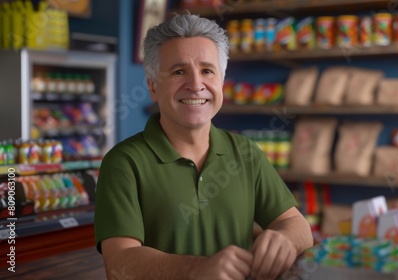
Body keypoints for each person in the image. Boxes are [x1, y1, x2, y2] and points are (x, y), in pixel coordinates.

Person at [94, 13, 313, 280]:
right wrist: (197, 269)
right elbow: (119, 263)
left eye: (207, 71)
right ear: (153, 87)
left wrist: (285, 240)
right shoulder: (123, 162)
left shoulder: (245, 152)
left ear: (221, 82)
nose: (196, 85)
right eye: (179, 71)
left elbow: (297, 225)